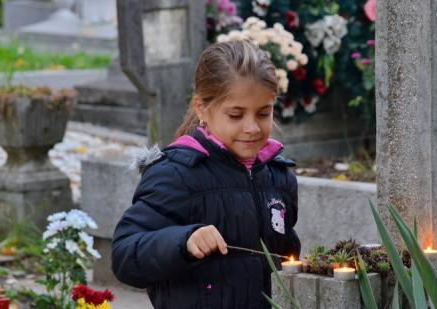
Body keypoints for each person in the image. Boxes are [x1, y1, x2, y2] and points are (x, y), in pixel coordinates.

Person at [112, 40, 301, 308]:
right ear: (202, 108)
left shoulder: (278, 177)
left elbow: (287, 257)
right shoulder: (176, 174)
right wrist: (183, 242)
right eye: (236, 115)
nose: (252, 127)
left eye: (263, 113)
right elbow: (125, 256)